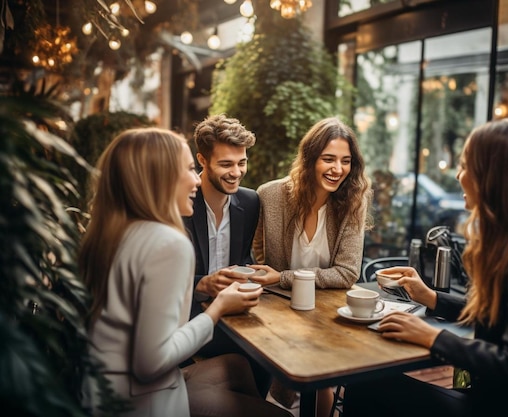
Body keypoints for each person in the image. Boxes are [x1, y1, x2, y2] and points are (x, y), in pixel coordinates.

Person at [343, 118, 508, 417]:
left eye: (466, 165)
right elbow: (500, 318)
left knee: (367, 388)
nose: (458, 175)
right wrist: (430, 297)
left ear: (495, 176)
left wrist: (433, 337)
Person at [79, 127, 291, 417]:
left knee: (239, 366)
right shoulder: (168, 242)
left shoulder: (114, 233)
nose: (196, 180)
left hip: (103, 391)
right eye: (190, 169)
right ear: (157, 178)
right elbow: (152, 362)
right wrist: (217, 308)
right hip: (146, 401)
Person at [250, 117, 372, 417]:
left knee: (322, 375)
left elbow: (346, 273)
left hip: (329, 311)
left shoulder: (352, 201)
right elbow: (259, 253)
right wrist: (278, 281)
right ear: (309, 159)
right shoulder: (271, 195)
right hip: (280, 308)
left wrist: (284, 277)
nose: (337, 169)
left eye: (345, 161)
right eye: (328, 159)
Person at [182, 114, 271, 396]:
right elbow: (158, 279)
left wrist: (253, 273)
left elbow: (243, 259)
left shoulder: (250, 201)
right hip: (187, 317)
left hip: (234, 313)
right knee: (261, 350)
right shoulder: (179, 201)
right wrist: (202, 284)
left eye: (241, 162)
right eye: (226, 164)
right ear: (202, 160)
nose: (236, 172)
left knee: (272, 344)